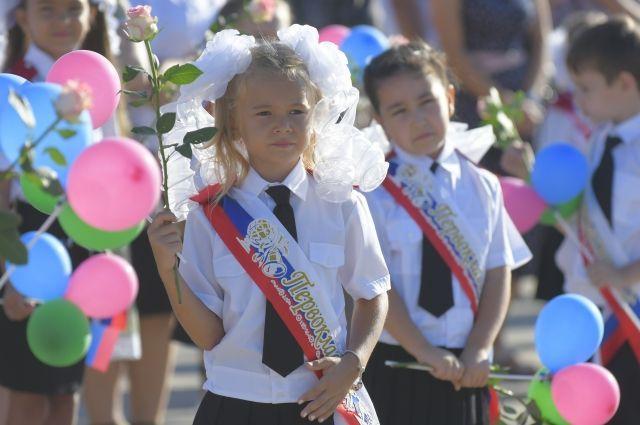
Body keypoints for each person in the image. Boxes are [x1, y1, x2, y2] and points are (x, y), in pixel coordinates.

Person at [147, 25, 390, 425]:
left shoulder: (342, 202)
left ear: (317, 113)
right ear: (232, 120)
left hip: (320, 398)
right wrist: (165, 264)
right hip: (234, 400)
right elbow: (208, 335)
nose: (283, 124)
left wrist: (355, 362)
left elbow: (373, 292)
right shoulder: (210, 214)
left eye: (297, 111)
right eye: (264, 112)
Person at [360, 41, 532, 424]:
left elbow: (497, 270)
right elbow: (376, 286)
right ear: (379, 121)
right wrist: (424, 351)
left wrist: (482, 346)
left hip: (466, 362)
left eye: (427, 102)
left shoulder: (483, 183)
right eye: (399, 111)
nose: (418, 119)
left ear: (451, 99)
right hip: (397, 363)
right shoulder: (373, 191)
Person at [0, 0, 120, 424]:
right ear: (21, 17)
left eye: (73, 8)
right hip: (28, 244)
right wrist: (9, 273)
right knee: (27, 396)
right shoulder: (12, 87)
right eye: (47, 10)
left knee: (68, 393)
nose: (62, 20)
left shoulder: (101, 81)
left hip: (86, 244)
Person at [557, 15, 640, 424]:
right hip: (595, 311)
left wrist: (626, 274)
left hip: (633, 311)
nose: (579, 99)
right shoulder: (597, 139)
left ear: (624, 82)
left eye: (586, 89)